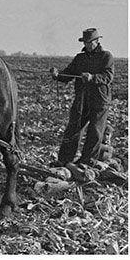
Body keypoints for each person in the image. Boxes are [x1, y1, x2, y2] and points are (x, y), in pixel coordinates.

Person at [50, 28, 113, 166]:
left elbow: (108, 76)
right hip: (82, 101)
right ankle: (64, 160)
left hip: (99, 101)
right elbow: (69, 73)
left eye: (90, 42)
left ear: (97, 41)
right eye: (85, 42)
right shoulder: (80, 58)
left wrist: (93, 77)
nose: (87, 45)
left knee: (95, 132)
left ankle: (87, 161)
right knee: (73, 130)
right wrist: (58, 75)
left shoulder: (106, 56)